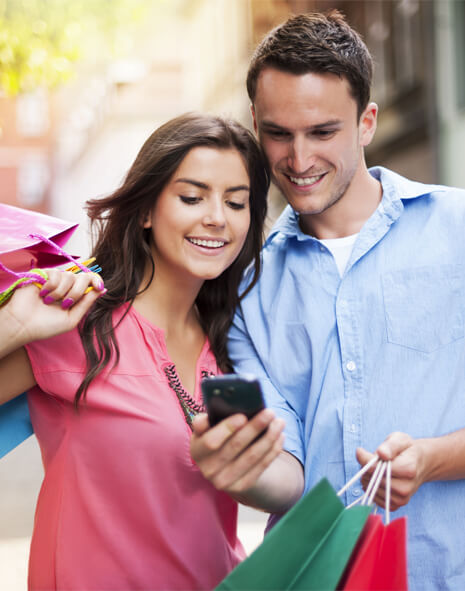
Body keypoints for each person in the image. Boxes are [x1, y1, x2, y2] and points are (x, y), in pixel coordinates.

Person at [190, 11, 465, 590]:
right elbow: (289, 473)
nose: (298, 159)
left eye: (322, 133)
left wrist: (434, 458)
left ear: (367, 122)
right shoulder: (245, 290)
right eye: (277, 133)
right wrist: (243, 472)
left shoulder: (458, 231)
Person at [0, 112, 286, 591]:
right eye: (192, 197)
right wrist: (12, 325)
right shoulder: (76, 322)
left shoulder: (238, 344)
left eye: (237, 202)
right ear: (147, 210)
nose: (217, 216)